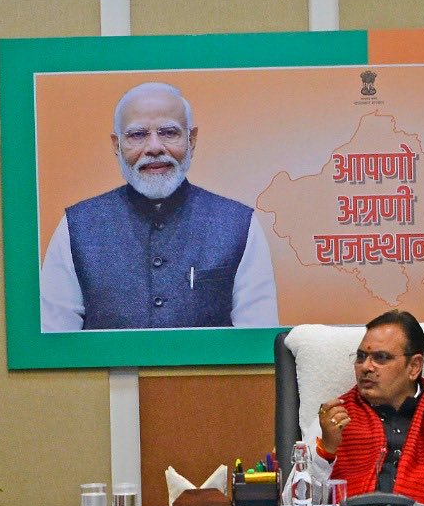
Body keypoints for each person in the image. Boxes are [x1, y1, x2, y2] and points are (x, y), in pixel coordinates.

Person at [40, 81, 279, 331]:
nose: (154, 148)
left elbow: (257, 341)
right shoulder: (76, 228)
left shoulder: (240, 225)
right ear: (116, 145)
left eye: (168, 132)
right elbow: (53, 342)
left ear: (191, 140)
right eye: (137, 135)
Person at [301, 310, 424, 505]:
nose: (366, 367)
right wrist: (326, 450)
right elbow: (297, 502)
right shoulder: (334, 418)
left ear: (414, 367)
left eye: (381, 357)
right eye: (361, 357)